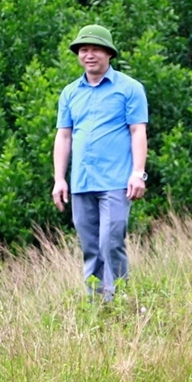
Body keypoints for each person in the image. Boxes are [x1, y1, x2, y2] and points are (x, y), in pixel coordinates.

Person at [52, 24, 149, 300]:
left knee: (111, 242)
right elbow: (64, 136)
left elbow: (137, 132)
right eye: (84, 49)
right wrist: (60, 179)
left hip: (117, 181)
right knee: (90, 247)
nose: (89, 55)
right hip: (82, 182)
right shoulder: (70, 93)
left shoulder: (129, 89)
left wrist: (138, 173)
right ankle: (95, 303)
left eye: (95, 49)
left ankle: (119, 300)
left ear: (109, 53)